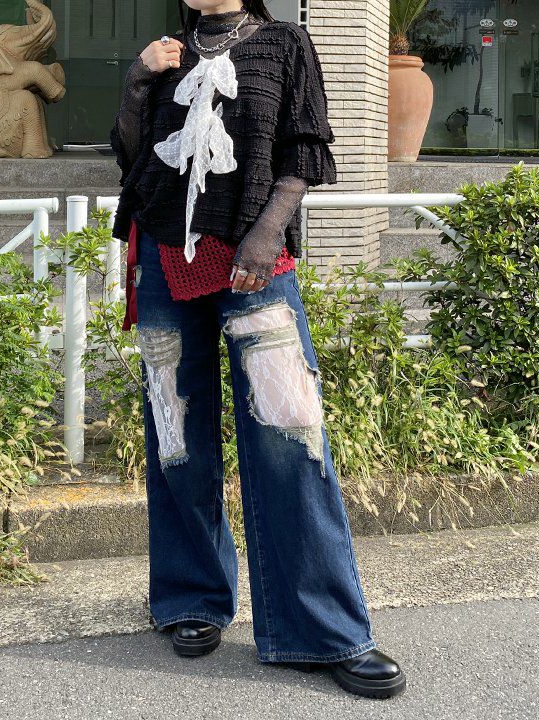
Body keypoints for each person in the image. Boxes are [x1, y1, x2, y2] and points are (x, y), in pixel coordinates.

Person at [110, 0, 406, 700]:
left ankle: (323, 630)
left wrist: (267, 231)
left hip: (253, 259)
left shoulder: (285, 43)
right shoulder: (168, 52)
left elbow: (304, 150)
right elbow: (131, 156)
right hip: (163, 257)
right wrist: (137, 79)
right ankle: (191, 597)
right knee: (177, 436)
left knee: (289, 435)